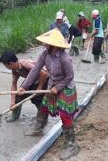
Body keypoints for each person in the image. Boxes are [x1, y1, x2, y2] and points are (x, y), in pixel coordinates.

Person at [18, 28, 79, 160]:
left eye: (47, 43)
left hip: (66, 87)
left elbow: (70, 76)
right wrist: (24, 86)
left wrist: (58, 87)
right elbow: (35, 70)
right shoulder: (45, 55)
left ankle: (71, 144)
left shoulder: (65, 58)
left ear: (55, 45)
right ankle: (38, 128)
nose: (44, 45)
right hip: (52, 86)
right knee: (43, 107)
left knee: (65, 115)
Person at [0, 51, 48, 122]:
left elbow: (44, 74)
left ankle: (43, 116)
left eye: (6, 66)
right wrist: (12, 102)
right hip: (31, 81)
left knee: (37, 98)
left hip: (43, 79)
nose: (6, 68)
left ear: (11, 63)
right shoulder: (14, 69)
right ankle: (15, 115)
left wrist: (39, 88)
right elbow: (14, 84)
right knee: (18, 94)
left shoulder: (26, 64)